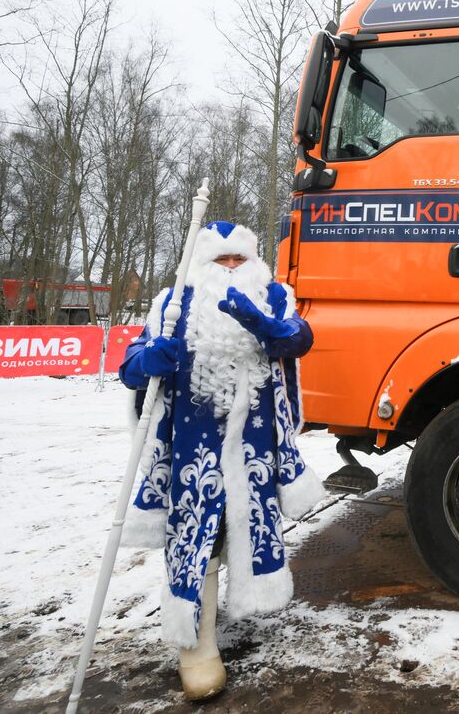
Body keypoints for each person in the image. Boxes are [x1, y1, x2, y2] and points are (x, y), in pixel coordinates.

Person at [118, 220, 323, 701]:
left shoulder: (274, 297)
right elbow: (129, 366)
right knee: (197, 538)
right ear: (201, 265)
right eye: (221, 260)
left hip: (255, 444)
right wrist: (147, 360)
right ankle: (197, 645)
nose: (231, 268)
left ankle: (245, 604)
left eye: (239, 259)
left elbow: (300, 336)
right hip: (192, 444)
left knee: (245, 528)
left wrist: (272, 330)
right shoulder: (170, 306)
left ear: (254, 262)